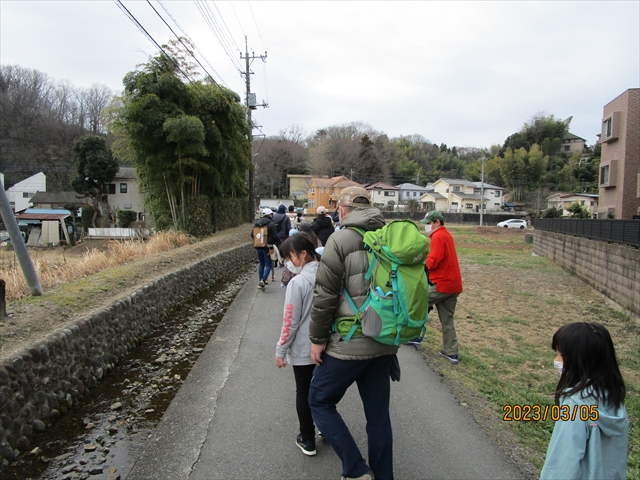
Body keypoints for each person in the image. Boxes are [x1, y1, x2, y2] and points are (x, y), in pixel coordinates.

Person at [308, 186, 397, 480]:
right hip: (384, 342)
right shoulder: (388, 238)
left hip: (349, 344)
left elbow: (324, 296)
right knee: (378, 418)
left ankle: (356, 468)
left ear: (343, 210)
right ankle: (383, 476)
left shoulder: (339, 239)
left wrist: (317, 340)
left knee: (319, 400)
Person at [540, 322, 629, 480]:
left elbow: (563, 463)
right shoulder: (614, 399)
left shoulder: (575, 404)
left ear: (578, 361)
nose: (556, 360)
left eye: (560, 354)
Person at [275, 234, 321, 456]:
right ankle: (326, 427)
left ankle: (307, 438)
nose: (288, 262)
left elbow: (289, 322)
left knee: (303, 391)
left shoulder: (298, 282)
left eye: (290, 256)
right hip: (326, 346)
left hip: (304, 348)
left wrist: (280, 351)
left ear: (303, 255)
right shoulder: (328, 275)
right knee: (321, 390)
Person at [412, 210, 463, 364]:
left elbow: (433, 260)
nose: (427, 226)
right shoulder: (447, 235)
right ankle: (451, 352)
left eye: (428, 223)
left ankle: (413, 336)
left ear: (437, 223)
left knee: (418, 303)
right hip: (453, 285)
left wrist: (420, 264)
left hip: (441, 284)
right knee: (447, 320)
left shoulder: (438, 236)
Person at [251, 208, 281, 291]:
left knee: (261, 264)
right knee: (268, 264)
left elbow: (252, 234)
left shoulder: (256, 223)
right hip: (267, 247)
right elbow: (275, 236)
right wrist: (279, 243)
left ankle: (260, 280)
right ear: (270, 215)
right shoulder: (271, 224)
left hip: (257, 246)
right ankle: (263, 280)